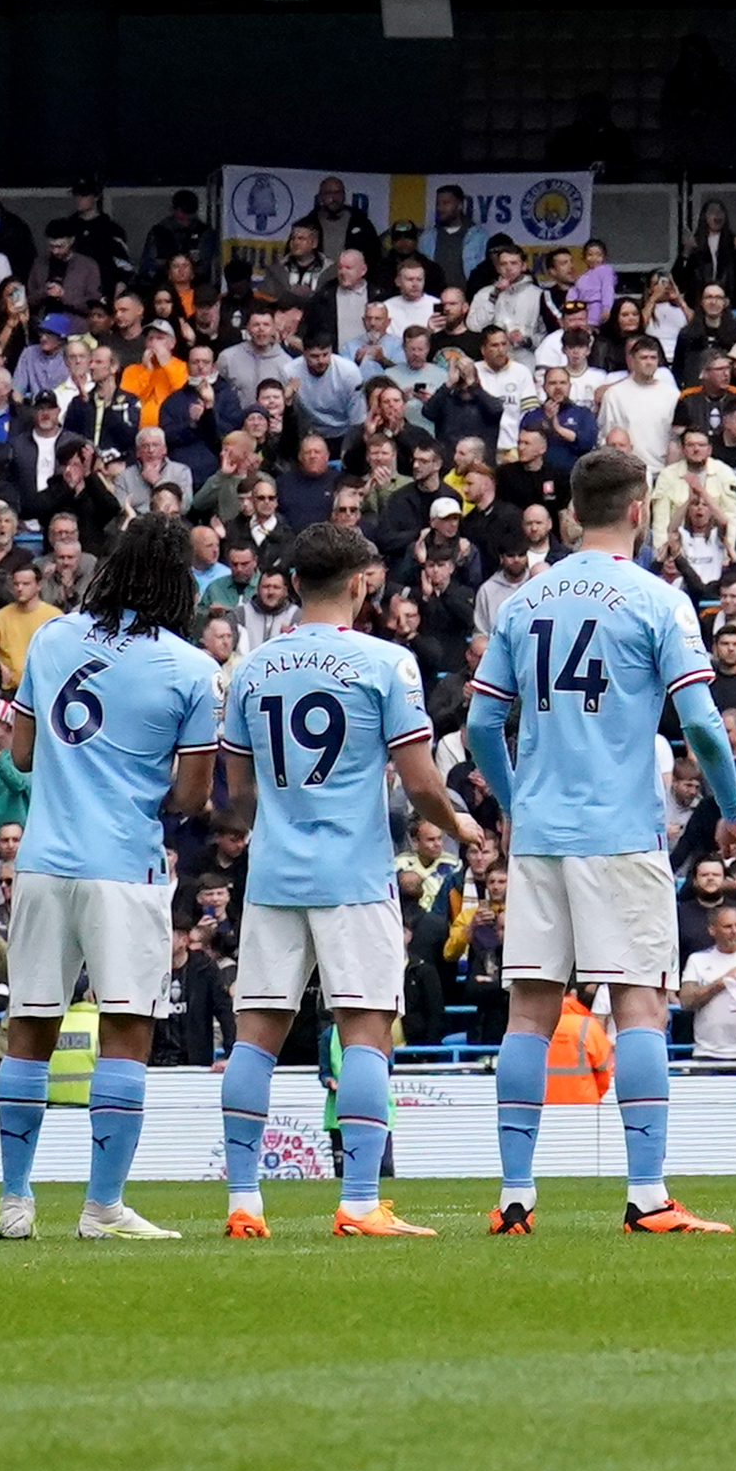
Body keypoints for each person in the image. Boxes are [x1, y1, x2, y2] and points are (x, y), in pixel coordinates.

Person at [468, 444, 736, 1236]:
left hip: (544, 836)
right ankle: (648, 1193)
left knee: (528, 1013)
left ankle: (516, 1194)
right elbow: (698, 718)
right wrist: (730, 811)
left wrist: (520, 802)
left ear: (570, 510)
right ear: (639, 510)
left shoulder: (525, 602)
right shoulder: (659, 601)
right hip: (621, 833)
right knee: (639, 1008)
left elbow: (482, 722)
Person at [217, 520, 474, 1237]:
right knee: (364, 1031)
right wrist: (462, 825)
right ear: (362, 582)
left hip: (273, 871)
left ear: (294, 583)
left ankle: (243, 1201)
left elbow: (237, 792)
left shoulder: (253, 666)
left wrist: (278, 817)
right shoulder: (386, 662)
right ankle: (360, 1200)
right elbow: (422, 782)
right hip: (355, 874)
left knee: (255, 1036)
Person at [0, 514, 226, 1242]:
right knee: (125, 1029)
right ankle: (101, 1205)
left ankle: (14, 1200)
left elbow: (23, 754)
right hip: (124, 865)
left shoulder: (54, 637)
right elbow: (189, 796)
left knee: (30, 1025)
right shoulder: (190, 668)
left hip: (42, 861)